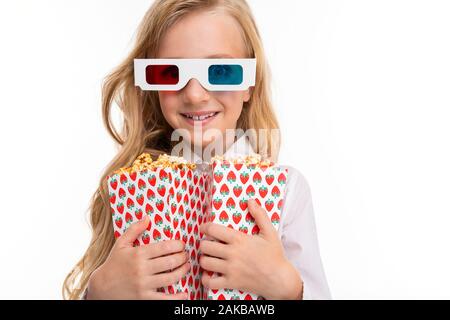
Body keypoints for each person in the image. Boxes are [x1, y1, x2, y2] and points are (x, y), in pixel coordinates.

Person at [63, 0, 331, 300]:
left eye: (220, 71)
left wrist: (287, 287)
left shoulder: (286, 190)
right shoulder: (132, 188)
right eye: (169, 72)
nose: (194, 93)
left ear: (249, 83)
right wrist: (100, 293)